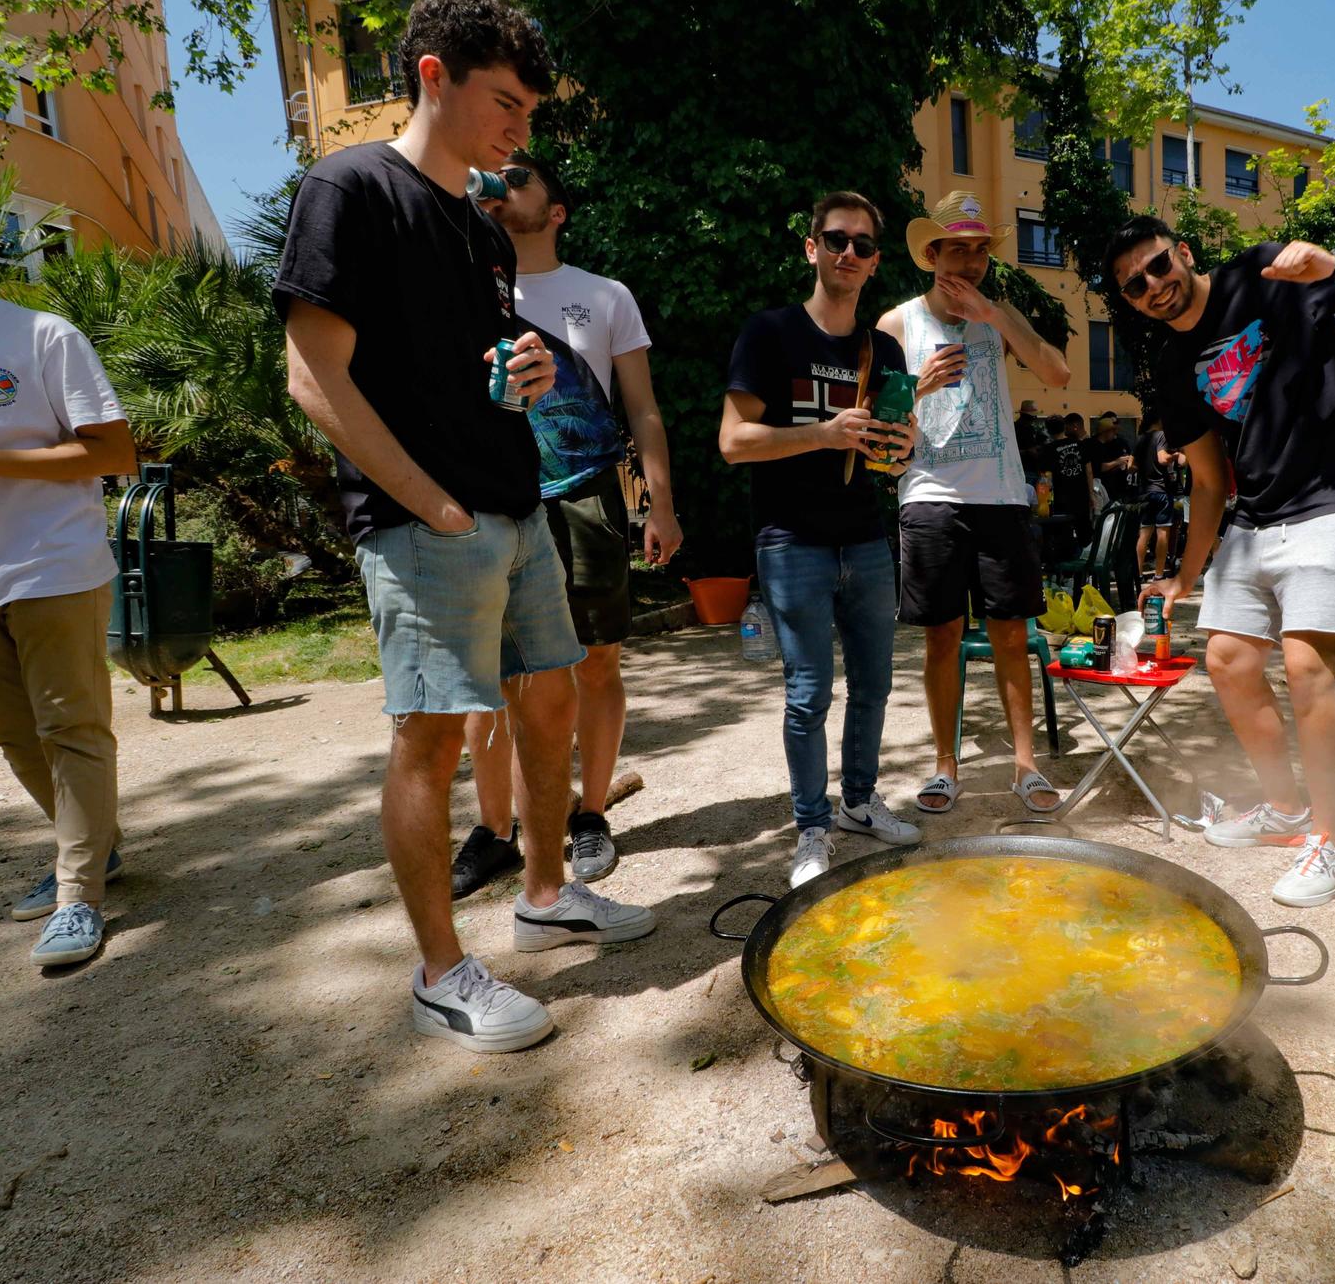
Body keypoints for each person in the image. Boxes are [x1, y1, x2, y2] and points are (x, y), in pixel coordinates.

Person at [277, 0, 654, 1055]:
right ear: (432, 76)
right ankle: (440, 972)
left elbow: (469, 369)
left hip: (517, 504)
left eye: (529, 110)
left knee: (547, 704)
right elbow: (313, 377)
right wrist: (425, 501)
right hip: (425, 522)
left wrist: (528, 375)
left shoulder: (478, 223)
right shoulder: (347, 187)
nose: (518, 127)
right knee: (431, 738)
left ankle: (543, 893)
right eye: (504, 102)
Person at [1111, 216, 1335, 905]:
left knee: (1304, 665)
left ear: (1183, 253)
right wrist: (1186, 573)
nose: (1152, 286)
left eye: (1156, 266)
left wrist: (1334, 263)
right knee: (1228, 659)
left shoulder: (1265, 274)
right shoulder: (1172, 369)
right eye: (1134, 285)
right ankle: (1286, 808)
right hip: (1257, 513)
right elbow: (1207, 480)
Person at [450, 149, 684, 898]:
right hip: (490, 494)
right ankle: (494, 830)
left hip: (586, 496)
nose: (500, 183)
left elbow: (641, 407)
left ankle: (589, 815)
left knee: (597, 662)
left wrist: (661, 501)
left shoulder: (604, 296)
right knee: (490, 677)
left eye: (519, 177)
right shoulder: (458, 287)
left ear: (556, 211)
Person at [0, 170, 138, 968]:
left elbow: (113, 451)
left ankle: (77, 894)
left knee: (70, 727)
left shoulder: (42, 335)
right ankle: (94, 846)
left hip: (51, 562)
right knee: (10, 732)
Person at [719, 191, 923, 886]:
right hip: (791, 541)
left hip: (865, 539)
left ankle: (859, 804)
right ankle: (811, 827)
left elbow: (890, 460)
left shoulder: (884, 348)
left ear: (874, 263)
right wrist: (823, 433)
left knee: (874, 684)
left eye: (863, 245)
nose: (849, 253)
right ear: (812, 248)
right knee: (809, 693)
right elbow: (733, 441)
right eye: (837, 239)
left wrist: (903, 444)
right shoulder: (770, 333)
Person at [878, 190, 1070, 818]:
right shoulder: (898, 322)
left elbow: (1058, 373)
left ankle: (1024, 765)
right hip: (929, 494)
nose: (969, 261)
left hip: (1002, 495)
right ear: (930, 255)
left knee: (1012, 636)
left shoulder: (999, 314)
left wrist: (996, 316)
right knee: (942, 637)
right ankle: (944, 767)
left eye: (980, 250)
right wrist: (917, 386)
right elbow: (877, 424)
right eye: (956, 248)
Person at [1134, 412, 1180, 577]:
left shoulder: (1140, 439)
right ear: (1159, 420)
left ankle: (1138, 574)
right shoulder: (1161, 435)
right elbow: (1162, 459)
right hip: (1161, 490)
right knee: (1162, 534)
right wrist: (1174, 455)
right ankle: (1159, 574)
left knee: (1144, 533)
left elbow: (1131, 465)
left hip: (1145, 491)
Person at [1046, 411, 1094, 550]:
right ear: (1064, 427)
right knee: (1085, 534)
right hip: (1081, 496)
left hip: (1061, 500)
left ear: (1049, 431)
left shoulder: (1048, 449)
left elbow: (1046, 477)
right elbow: (1089, 471)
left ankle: (1068, 568)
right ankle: (1087, 566)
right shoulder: (1080, 444)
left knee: (1063, 536)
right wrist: (1091, 495)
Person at [1084, 411, 1136, 507]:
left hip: (1113, 489)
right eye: (1112, 430)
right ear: (1106, 431)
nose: (1115, 433)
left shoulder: (1109, 444)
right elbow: (1100, 467)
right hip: (1099, 490)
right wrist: (1118, 461)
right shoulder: (1094, 445)